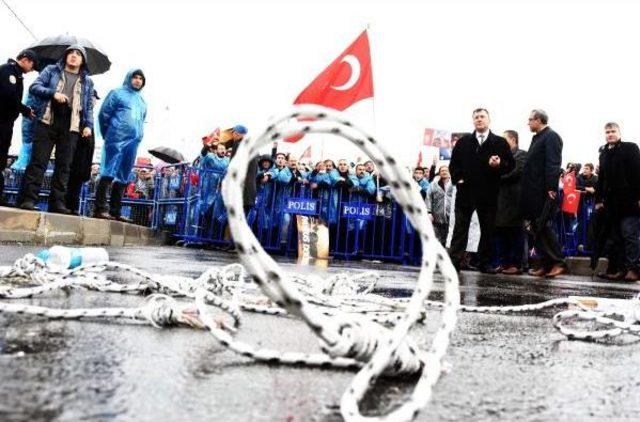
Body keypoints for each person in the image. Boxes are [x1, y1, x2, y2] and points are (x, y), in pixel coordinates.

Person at [19, 45, 94, 213]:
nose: (74, 56)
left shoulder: (87, 81)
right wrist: (53, 93)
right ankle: (29, 200)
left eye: (78, 54)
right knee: (38, 162)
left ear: (83, 60)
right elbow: (35, 87)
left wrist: (88, 125)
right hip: (47, 120)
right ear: (65, 56)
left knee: (64, 166)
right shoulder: (51, 70)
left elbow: (88, 106)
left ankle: (57, 203)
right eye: (71, 53)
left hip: (71, 125)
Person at [448, 108, 515, 272]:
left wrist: (499, 165)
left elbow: (511, 165)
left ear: (489, 120)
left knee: (488, 230)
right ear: (473, 120)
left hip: (488, 193)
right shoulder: (463, 142)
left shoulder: (499, 142)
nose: (479, 119)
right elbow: (453, 165)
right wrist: (458, 179)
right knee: (460, 229)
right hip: (466, 193)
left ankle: (485, 263)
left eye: (482, 116)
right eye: (476, 117)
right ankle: (454, 263)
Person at [93, 69, 147, 222]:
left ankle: (115, 211)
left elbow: (141, 120)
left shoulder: (142, 101)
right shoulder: (117, 93)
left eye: (140, 78)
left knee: (124, 174)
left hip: (133, 142)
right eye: (135, 77)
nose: (137, 80)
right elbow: (104, 114)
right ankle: (100, 209)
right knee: (108, 170)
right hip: (116, 138)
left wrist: (139, 136)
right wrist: (108, 134)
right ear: (128, 78)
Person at [521, 109, 567, 278]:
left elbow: (553, 164)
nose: (528, 123)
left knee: (544, 226)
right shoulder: (537, 137)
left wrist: (551, 188)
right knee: (536, 227)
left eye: (530, 120)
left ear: (539, 120)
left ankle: (558, 262)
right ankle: (546, 264)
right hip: (532, 191)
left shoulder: (551, 136)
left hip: (544, 191)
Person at [594, 122, 640, 282]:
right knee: (615, 238)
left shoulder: (631, 148)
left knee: (629, 235)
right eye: (607, 132)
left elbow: (638, 173)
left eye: (613, 131)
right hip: (611, 205)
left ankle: (634, 269)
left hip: (630, 202)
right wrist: (598, 200)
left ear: (619, 132)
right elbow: (602, 179)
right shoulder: (604, 153)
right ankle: (618, 269)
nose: (610, 134)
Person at [0, 49, 37, 204]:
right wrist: (25, 109)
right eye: (32, 65)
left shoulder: (17, 74)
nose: (31, 70)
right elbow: (8, 95)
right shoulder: (8, 71)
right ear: (26, 60)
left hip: (6, 123)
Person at [495, 130, 528, 274]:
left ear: (513, 139)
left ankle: (516, 264)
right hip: (500, 200)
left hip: (515, 199)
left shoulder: (521, 154)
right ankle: (505, 263)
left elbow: (517, 172)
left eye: (504, 139)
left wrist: (497, 178)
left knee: (515, 232)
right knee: (502, 231)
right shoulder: (500, 157)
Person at [65, 89, 99, 214]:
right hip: (76, 156)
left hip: (84, 158)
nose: (94, 101)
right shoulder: (80, 115)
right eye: (92, 98)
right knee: (71, 181)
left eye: (95, 99)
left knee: (77, 182)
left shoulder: (90, 119)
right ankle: (68, 205)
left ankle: (73, 206)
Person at [426, 165, 454, 245]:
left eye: (446, 170)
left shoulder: (454, 184)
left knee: (449, 239)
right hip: (437, 216)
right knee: (437, 239)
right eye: (442, 171)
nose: (444, 172)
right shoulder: (433, 184)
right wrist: (429, 212)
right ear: (440, 173)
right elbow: (428, 198)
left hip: (451, 216)